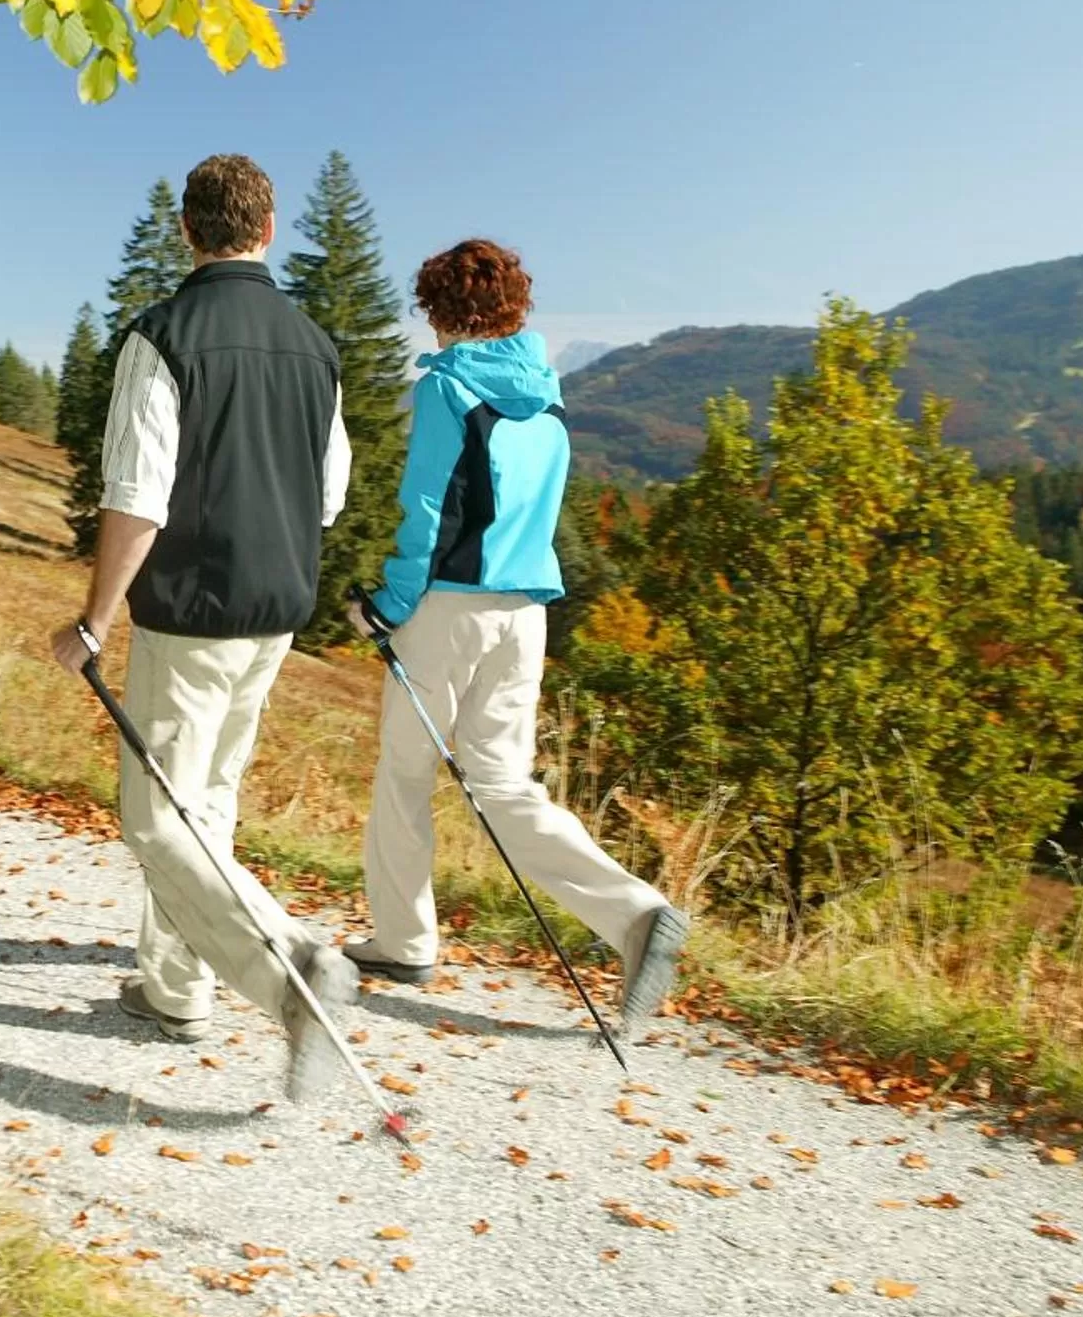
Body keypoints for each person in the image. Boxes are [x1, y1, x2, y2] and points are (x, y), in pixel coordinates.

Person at [50, 153, 361, 1099]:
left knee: (155, 815)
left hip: (191, 612)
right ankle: (174, 988)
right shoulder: (315, 343)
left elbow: (137, 495)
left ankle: (288, 966)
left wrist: (94, 619)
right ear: (267, 229)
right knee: (206, 800)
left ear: (189, 231)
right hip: (275, 609)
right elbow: (328, 496)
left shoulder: (163, 335)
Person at [342, 238, 688, 1024]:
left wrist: (388, 606)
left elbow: (429, 511)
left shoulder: (446, 389)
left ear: (444, 311)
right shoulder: (548, 394)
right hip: (524, 613)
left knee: (403, 775)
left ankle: (404, 938)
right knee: (500, 786)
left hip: (447, 610)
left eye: (430, 312)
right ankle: (635, 915)